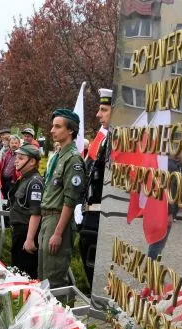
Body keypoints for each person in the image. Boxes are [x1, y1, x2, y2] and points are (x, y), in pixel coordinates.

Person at [38, 109, 85, 288]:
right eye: (53, 126)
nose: (52, 130)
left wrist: (58, 233)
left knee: (54, 279)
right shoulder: (58, 156)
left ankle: (63, 307)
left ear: (70, 130)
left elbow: (70, 200)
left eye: (58, 127)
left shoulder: (73, 159)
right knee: (43, 276)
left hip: (58, 219)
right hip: (47, 218)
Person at [79, 88, 112, 289]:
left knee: (99, 278)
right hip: (93, 215)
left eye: (104, 110)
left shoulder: (119, 143)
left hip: (103, 218)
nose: (98, 115)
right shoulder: (106, 139)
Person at [8, 144, 44, 278]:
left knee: (26, 275)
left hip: (26, 232)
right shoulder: (24, 179)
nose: (16, 161)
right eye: (16, 157)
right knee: (17, 272)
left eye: (21, 158)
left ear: (32, 161)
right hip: (19, 232)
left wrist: (29, 239)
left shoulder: (35, 182)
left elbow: (36, 213)